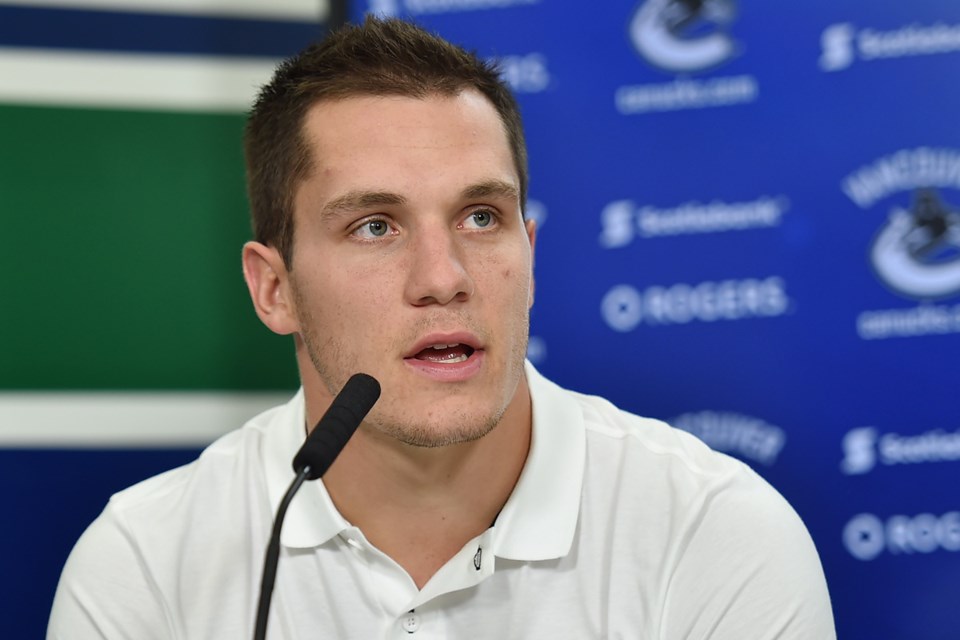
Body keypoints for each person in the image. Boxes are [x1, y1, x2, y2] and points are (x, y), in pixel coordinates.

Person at [48, 16, 835, 639]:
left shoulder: (714, 536)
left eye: (481, 216)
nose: (444, 278)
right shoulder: (145, 566)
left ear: (528, 256)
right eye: (375, 227)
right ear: (274, 288)